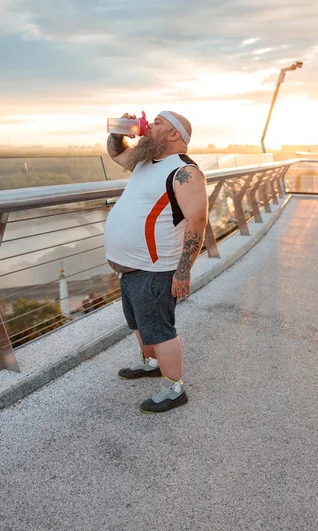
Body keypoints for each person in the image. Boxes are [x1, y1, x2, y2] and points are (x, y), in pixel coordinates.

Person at [104, 111, 208, 414]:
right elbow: (117, 152)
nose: (149, 126)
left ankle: (174, 389)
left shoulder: (184, 172)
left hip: (155, 269)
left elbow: (197, 223)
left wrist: (183, 272)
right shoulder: (146, 161)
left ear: (175, 134)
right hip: (130, 268)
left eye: (157, 123)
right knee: (139, 324)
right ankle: (151, 364)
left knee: (160, 330)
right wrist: (119, 130)